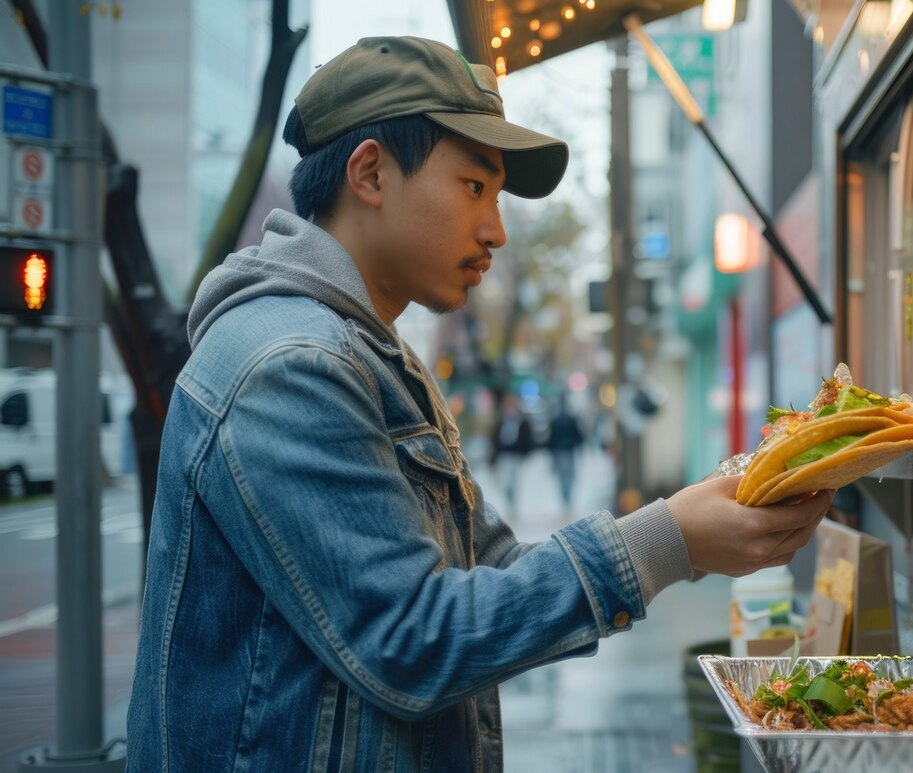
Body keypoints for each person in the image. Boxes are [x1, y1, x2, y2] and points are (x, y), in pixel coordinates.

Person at [126, 36, 833, 772]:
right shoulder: (289, 365)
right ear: (369, 172)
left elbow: (485, 569)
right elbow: (413, 637)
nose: (495, 227)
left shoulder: (380, 356)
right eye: (474, 187)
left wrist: (680, 533)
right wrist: (668, 542)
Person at [488, 391, 535, 510]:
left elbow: (527, 437)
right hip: (504, 455)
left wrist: (525, 453)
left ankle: (513, 505)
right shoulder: (502, 419)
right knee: (503, 482)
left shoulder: (521, 419)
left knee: (513, 481)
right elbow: (496, 438)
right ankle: (510, 502)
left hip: (515, 455)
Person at [546, 393, 585, 514]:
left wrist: (550, 451)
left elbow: (551, 438)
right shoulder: (571, 418)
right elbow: (578, 435)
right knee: (569, 476)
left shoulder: (555, 419)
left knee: (562, 477)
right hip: (569, 451)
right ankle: (567, 499)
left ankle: (565, 499)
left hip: (559, 451)